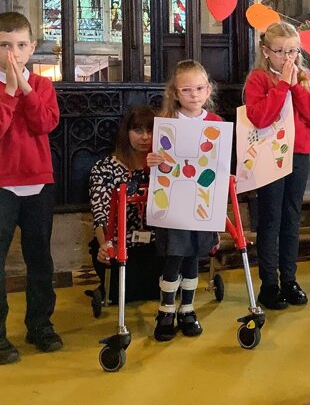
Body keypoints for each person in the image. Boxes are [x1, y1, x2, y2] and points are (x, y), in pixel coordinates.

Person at [0, 12, 61, 365]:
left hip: (38, 182)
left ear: (32, 47)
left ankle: (40, 325)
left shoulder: (43, 86)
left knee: (41, 260)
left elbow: (45, 124)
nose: (13, 54)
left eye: (21, 46)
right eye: (5, 46)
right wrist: (9, 91)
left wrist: (26, 89)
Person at [244, 22, 310, 310]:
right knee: (270, 219)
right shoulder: (258, 79)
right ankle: (269, 283)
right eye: (280, 52)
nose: (287, 58)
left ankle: (289, 279)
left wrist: (296, 87)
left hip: (299, 154)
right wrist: (281, 87)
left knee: (291, 217)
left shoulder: (306, 78)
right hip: (269, 155)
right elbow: (260, 118)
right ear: (266, 52)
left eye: (292, 51)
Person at [146, 60, 221, 340]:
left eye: (199, 88)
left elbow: (219, 163)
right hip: (174, 203)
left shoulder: (215, 124)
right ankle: (166, 309)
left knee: (193, 257)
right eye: (187, 90)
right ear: (175, 93)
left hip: (201, 202)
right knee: (173, 256)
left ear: (208, 89)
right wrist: (151, 160)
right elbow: (156, 164)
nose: (194, 95)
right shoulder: (167, 124)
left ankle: (187, 309)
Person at [86, 105, 162, 315]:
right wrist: (105, 247)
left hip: (156, 243)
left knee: (160, 288)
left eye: (150, 130)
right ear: (126, 133)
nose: (145, 137)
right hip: (119, 244)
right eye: (138, 130)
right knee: (124, 293)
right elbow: (100, 214)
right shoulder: (104, 168)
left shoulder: (164, 168)